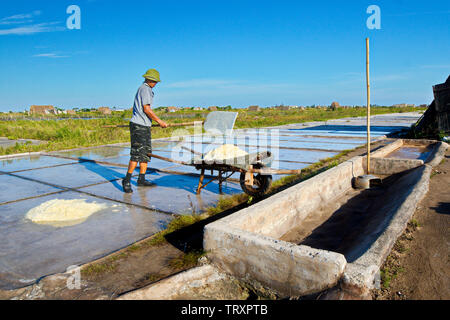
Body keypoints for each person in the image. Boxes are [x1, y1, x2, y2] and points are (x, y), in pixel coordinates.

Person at [122, 68, 168, 193]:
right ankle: (127, 180)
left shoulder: (147, 90)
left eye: (156, 81)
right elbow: (146, 109)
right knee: (137, 153)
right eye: (154, 81)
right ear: (149, 79)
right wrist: (160, 121)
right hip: (139, 126)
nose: (156, 83)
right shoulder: (145, 89)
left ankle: (141, 179)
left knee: (146, 153)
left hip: (145, 125)